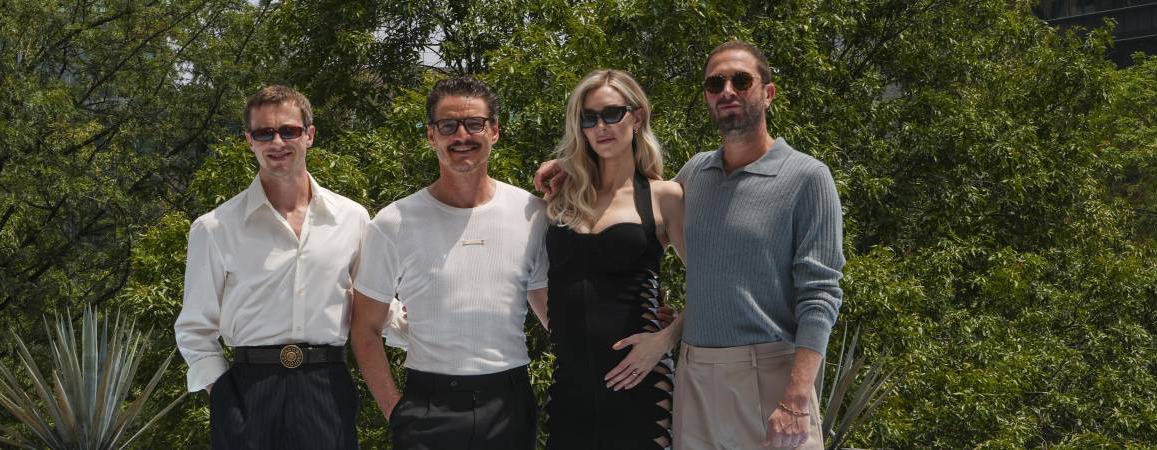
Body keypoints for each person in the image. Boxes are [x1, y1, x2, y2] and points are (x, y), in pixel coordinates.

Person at [535, 40, 846, 450]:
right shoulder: (697, 173)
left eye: (741, 80)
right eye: (716, 83)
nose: (727, 91)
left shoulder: (807, 176)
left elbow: (820, 294)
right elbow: (635, 202)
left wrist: (796, 400)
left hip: (767, 369)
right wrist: (569, 164)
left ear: (767, 93)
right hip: (695, 375)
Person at [348, 76, 550, 450]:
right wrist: (397, 413)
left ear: (495, 131)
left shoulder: (531, 213)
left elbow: (555, 314)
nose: (462, 136)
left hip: (510, 403)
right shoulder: (393, 223)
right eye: (448, 125)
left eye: (474, 124)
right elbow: (364, 330)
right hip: (427, 405)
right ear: (431, 135)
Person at [174, 85, 368, 449]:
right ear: (250, 141)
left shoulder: (353, 219)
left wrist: (429, 332)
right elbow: (194, 327)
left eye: (288, 131)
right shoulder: (214, 228)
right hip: (247, 392)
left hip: (327, 387)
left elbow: (374, 309)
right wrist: (222, 393)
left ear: (309, 135)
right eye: (264, 132)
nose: (277, 142)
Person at [539, 69, 688, 450]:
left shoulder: (664, 196)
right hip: (569, 385)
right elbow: (536, 279)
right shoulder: (561, 196)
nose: (600, 126)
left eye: (611, 114)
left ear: (637, 118)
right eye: (588, 118)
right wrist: (561, 330)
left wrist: (665, 340)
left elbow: (713, 281)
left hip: (640, 384)